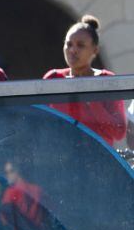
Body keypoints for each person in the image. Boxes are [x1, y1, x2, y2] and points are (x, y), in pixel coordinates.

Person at [43, 15, 127, 147]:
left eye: (80, 45)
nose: (72, 50)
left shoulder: (107, 81)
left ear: (95, 50)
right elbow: (39, 123)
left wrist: (90, 96)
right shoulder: (53, 79)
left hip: (98, 160)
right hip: (60, 160)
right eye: (68, 44)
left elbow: (118, 132)